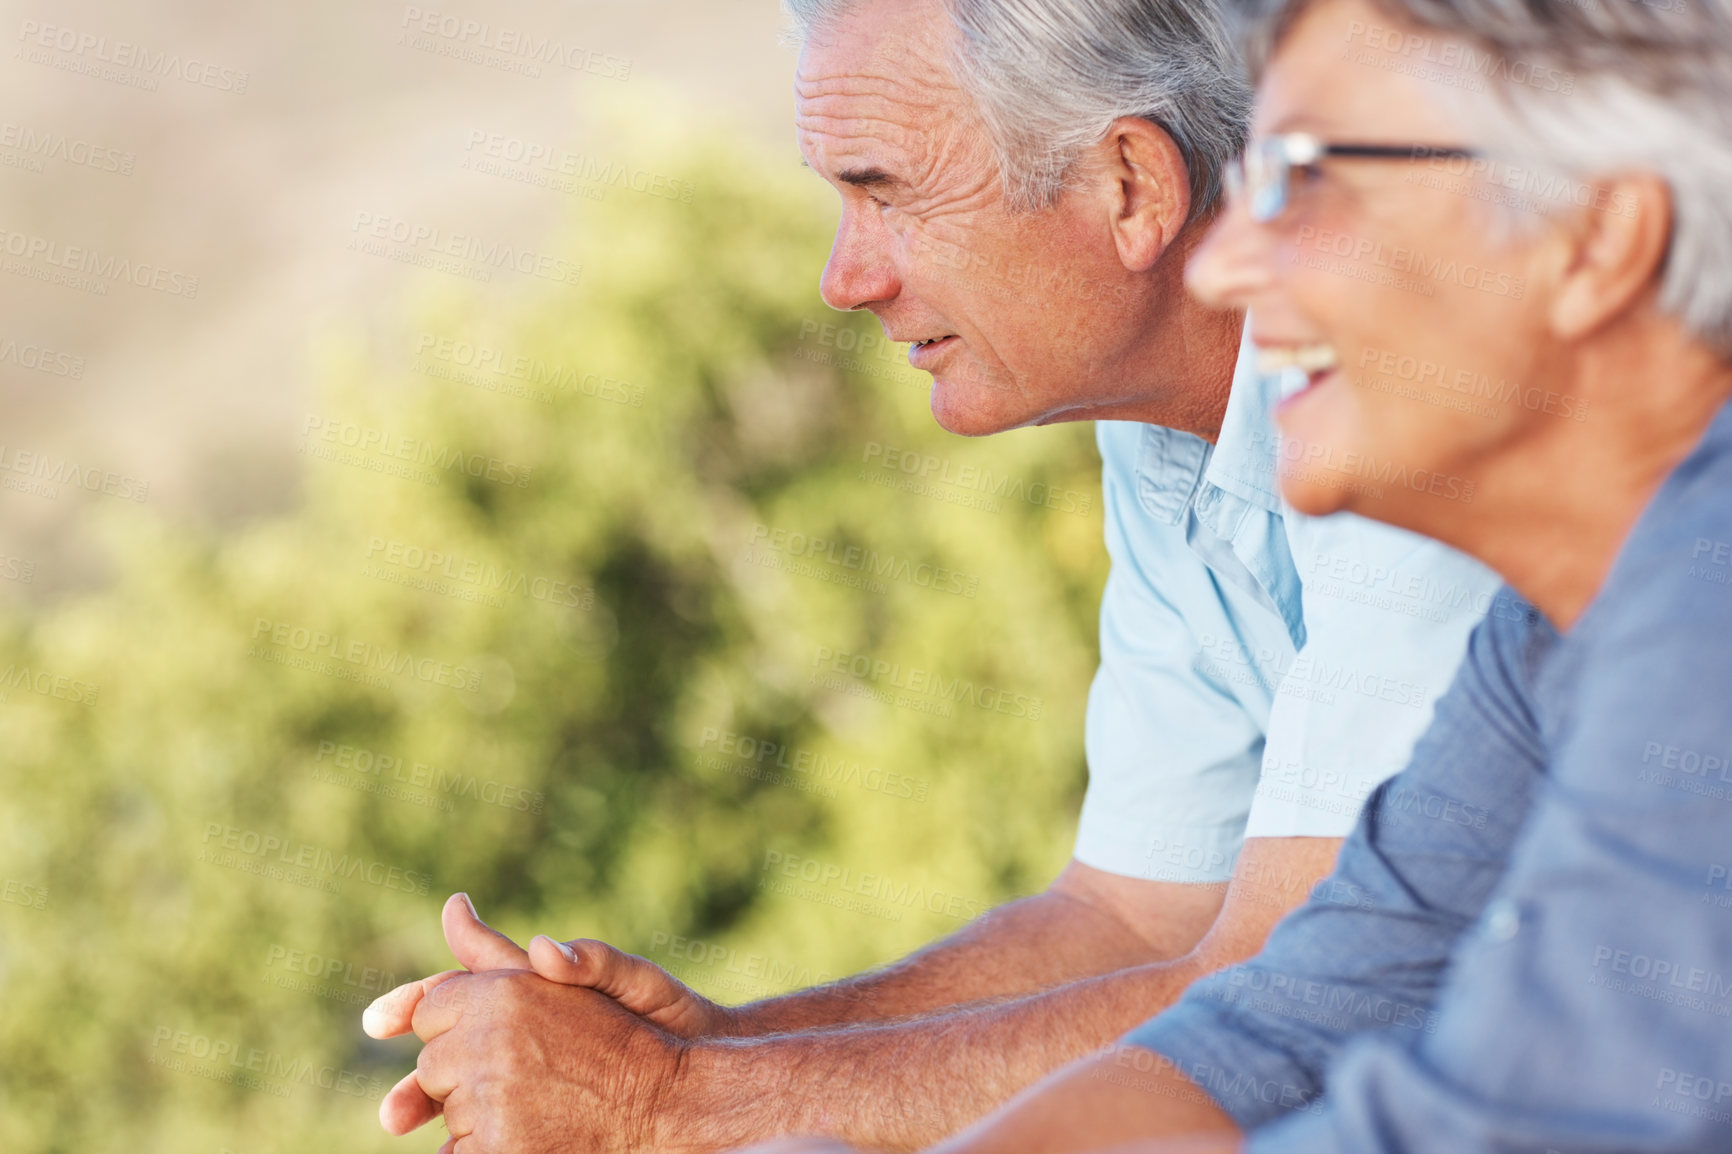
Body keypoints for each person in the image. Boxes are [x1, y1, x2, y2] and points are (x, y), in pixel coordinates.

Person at [358, 0, 1499, 1149]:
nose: (842, 277)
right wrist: (712, 1052)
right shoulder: (1161, 424)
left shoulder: (1404, 375)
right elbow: (1132, 914)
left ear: (1130, 188)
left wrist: (658, 1106)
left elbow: (1299, 992)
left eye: (886, 194)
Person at [742, 0, 1732, 1148]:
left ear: (1598, 237)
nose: (1235, 257)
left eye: (1310, 179)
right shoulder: (1542, 634)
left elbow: (1486, 1123)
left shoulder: (1701, 613)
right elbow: (1283, 1020)